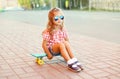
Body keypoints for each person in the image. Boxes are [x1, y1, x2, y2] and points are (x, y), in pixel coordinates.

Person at [42, 7, 83, 72]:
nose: (59, 20)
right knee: (61, 44)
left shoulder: (62, 29)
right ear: (51, 20)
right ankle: (69, 63)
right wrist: (48, 54)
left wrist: (67, 50)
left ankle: (73, 59)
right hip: (52, 49)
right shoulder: (48, 31)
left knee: (66, 42)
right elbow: (44, 44)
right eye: (56, 18)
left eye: (61, 18)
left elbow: (67, 40)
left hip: (61, 47)